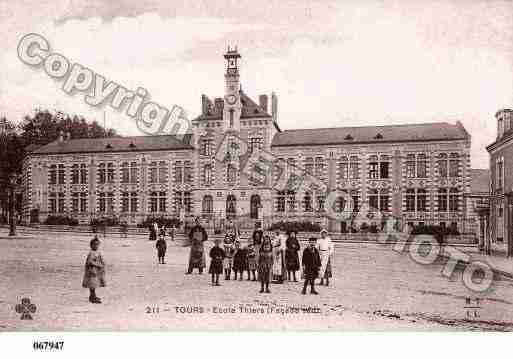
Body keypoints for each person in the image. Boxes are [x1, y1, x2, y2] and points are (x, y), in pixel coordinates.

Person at [82, 236, 106, 303]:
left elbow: (100, 259)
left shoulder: (97, 252)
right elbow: (90, 262)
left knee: (94, 284)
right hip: (92, 271)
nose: (96, 246)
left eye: (97, 245)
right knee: (92, 284)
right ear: (91, 245)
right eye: (94, 245)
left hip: (96, 271)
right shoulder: (91, 253)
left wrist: (102, 264)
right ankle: (92, 297)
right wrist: (98, 265)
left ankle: (93, 295)